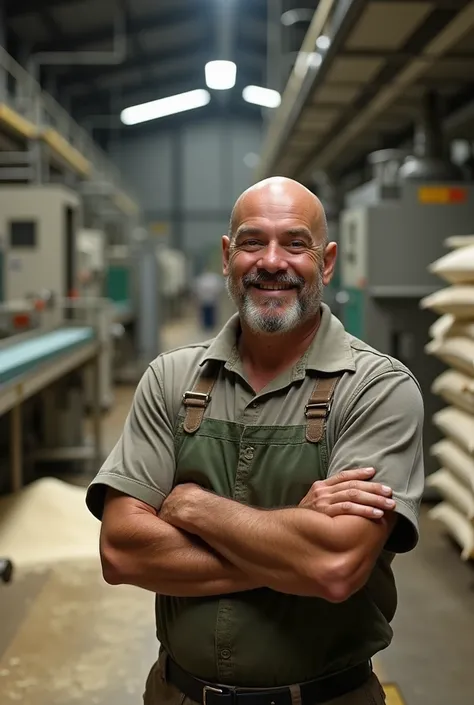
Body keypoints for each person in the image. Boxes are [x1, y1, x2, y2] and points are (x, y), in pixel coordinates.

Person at [86, 177, 424, 705]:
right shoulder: (172, 378)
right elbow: (122, 552)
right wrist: (294, 546)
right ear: (227, 256)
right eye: (251, 242)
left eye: (294, 243)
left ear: (327, 262)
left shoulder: (378, 390)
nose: (271, 261)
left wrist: (191, 506)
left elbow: (335, 567)